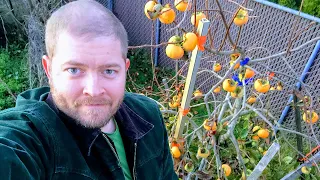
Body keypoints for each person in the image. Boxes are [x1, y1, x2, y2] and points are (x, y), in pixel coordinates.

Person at [0, 0, 177, 179]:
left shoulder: (148, 115)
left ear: (125, 69)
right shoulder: (32, 139)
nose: (93, 90)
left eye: (109, 71)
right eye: (74, 70)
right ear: (49, 69)